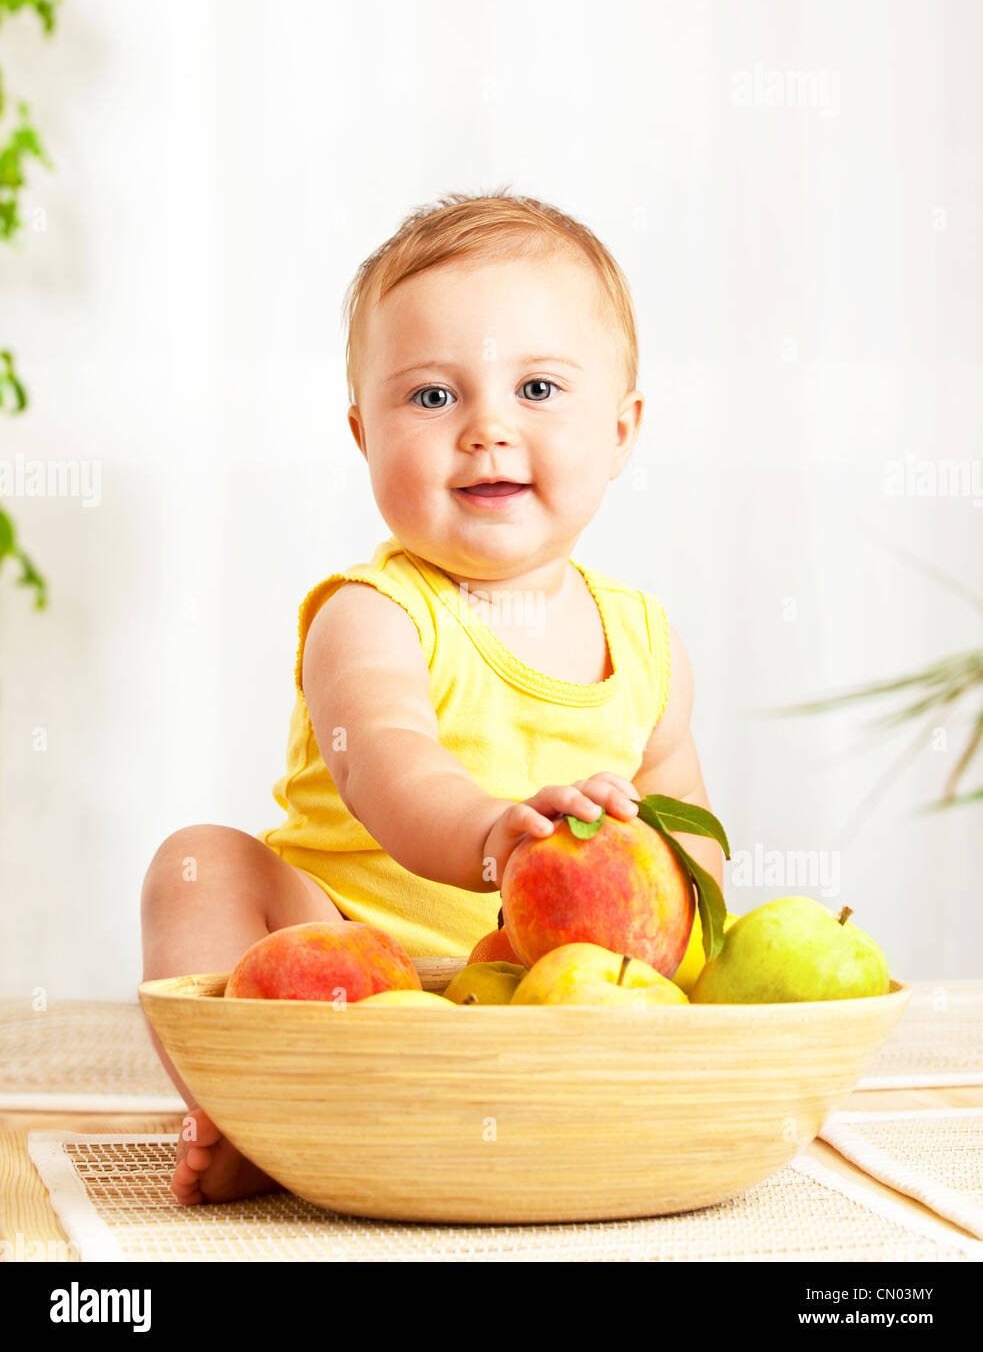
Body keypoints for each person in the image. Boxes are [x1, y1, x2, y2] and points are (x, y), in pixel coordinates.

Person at [140, 189, 723, 1204]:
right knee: (197, 868)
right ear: (364, 434)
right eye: (432, 397)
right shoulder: (373, 615)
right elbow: (391, 767)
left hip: (544, 993)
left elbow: (692, 839)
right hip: (348, 966)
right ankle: (246, 1112)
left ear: (622, 430)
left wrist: (688, 949)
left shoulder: (645, 640)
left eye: (538, 388)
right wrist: (491, 835)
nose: (486, 430)